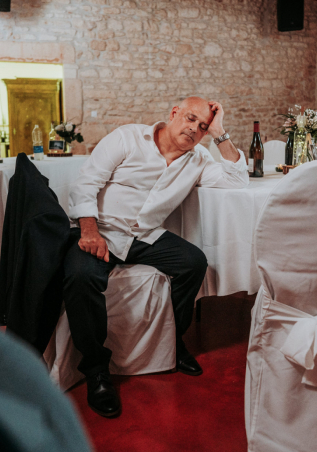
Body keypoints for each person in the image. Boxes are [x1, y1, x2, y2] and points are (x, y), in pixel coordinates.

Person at [65, 96, 249, 417]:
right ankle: (96, 369)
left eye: (202, 127)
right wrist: (90, 230)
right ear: (174, 113)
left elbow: (237, 179)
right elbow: (85, 183)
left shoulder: (199, 158)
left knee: (194, 264)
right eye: (191, 119)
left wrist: (220, 132)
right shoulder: (127, 138)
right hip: (104, 228)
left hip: (145, 236)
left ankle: (175, 343)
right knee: (81, 278)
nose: (194, 129)